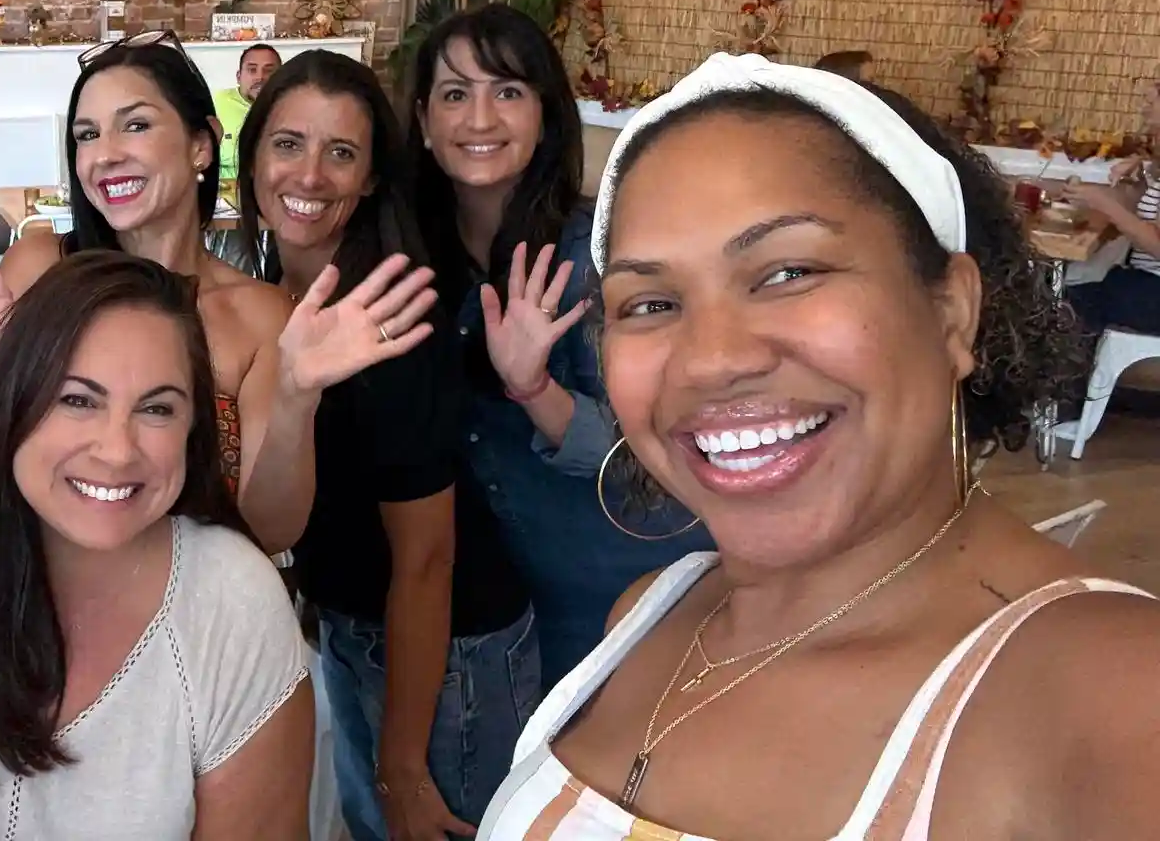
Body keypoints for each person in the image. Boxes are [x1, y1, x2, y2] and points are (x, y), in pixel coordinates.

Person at [479, 54, 1160, 839]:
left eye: (788, 271)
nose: (711, 358)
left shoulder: (1107, 697)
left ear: (951, 311)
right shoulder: (648, 617)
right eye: (652, 301)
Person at [0, 31, 437, 553]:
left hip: (192, 617)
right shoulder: (39, 269)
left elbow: (270, 532)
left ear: (201, 145)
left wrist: (297, 399)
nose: (104, 154)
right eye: (87, 135)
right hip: (32, 598)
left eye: (134, 126)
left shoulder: (261, 314)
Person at [0, 252, 315, 839]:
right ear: (11, 398)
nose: (117, 450)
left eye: (156, 408)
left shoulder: (231, 599)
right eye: (77, 399)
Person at [239, 50, 537, 839]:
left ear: (371, 179)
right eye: (288, 144)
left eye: (341, 153)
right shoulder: (276, 286)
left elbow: (427, 558)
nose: (309, 175)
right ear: (253, 153)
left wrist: (403, 765)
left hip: (448, 652)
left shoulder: (392, 315)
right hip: (353, 626)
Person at [407, 6, 710, 691]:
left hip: (631, 597)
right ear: (424, 122)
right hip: (504, 620)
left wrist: (535, 390)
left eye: (508, 91)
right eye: (456, 95)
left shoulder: (602, 257)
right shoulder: (419, 258)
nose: (480, 119)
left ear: (545, 113)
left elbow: (664, 451)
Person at [1060, 79, 1160, 336]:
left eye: (1151, 101)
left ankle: (1076, 374)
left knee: (1069, 304)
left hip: (1154, 290)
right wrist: (1140, 172)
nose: (1143, 108)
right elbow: (1141, 208)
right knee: (1069, 290)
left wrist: (1102, 202)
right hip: (1143, 279)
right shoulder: (1155, 162)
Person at [215, 42, 281, 181]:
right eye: (252, 70)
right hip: (224, 190)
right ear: (239, 77)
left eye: (269, 71)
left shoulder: (291, 106)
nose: (260, 77)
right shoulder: (216, 103)